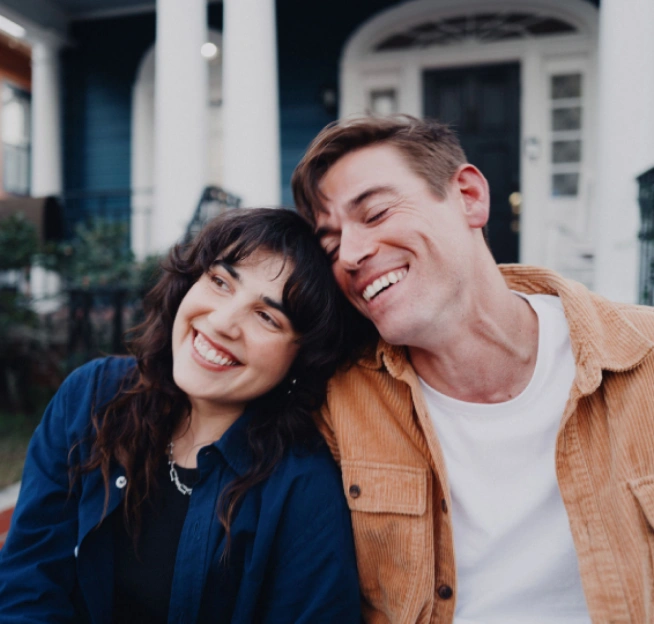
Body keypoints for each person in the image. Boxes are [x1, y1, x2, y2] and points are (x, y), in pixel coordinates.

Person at [291, 115, 654, 624]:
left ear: (468, 196)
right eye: (330, 245)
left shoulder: (644, 359)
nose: (350, 255)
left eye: (374, 213)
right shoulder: (339, 404)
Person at [0, 208, 362, 623]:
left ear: (301, 358)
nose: (224, 322)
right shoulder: (92, 399)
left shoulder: (302, 488)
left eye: (266, 317)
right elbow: (27, 581)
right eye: (221, 282)